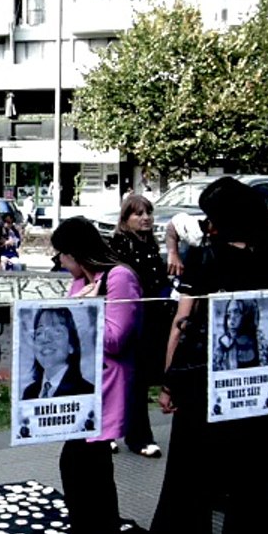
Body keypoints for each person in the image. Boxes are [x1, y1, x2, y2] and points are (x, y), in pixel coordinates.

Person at [140, 176, 268, 534]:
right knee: (255, 481)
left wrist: (169, 380)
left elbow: (181, 324)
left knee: (187, 479)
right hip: (256, 387)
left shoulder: (202, 259)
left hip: (200, 384)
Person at [46, 216, 142, 534]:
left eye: (62, 256)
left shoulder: (119, 277)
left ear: (75, 252)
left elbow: (117, 338)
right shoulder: (78, 283)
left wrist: (84, 314)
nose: (61, 264)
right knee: (94, 463)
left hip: (108, 383)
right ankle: (108, 533)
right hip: (84, 386)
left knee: (78, 463)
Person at [108, 194, 167, 458]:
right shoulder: (119, 246)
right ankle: (121, 433)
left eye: (148, 213)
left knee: (138, 379)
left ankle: (134, 433)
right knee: (121, 378)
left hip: (151, 319)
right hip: (127, 317)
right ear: (125, 218)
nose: (145, 218)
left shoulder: (152, 245)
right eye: (138, 214)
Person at [21, 307, 94, 399]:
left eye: (57, 331)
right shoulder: (30, 392)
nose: (45, 339)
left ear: (71, 345)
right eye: (39, 332)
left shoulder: (86, 391)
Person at [210, 298, 268, 371]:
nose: (231, 320)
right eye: (229, 314)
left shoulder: (264, 347)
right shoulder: (222, 349)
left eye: (236, 312)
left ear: (249, 315)